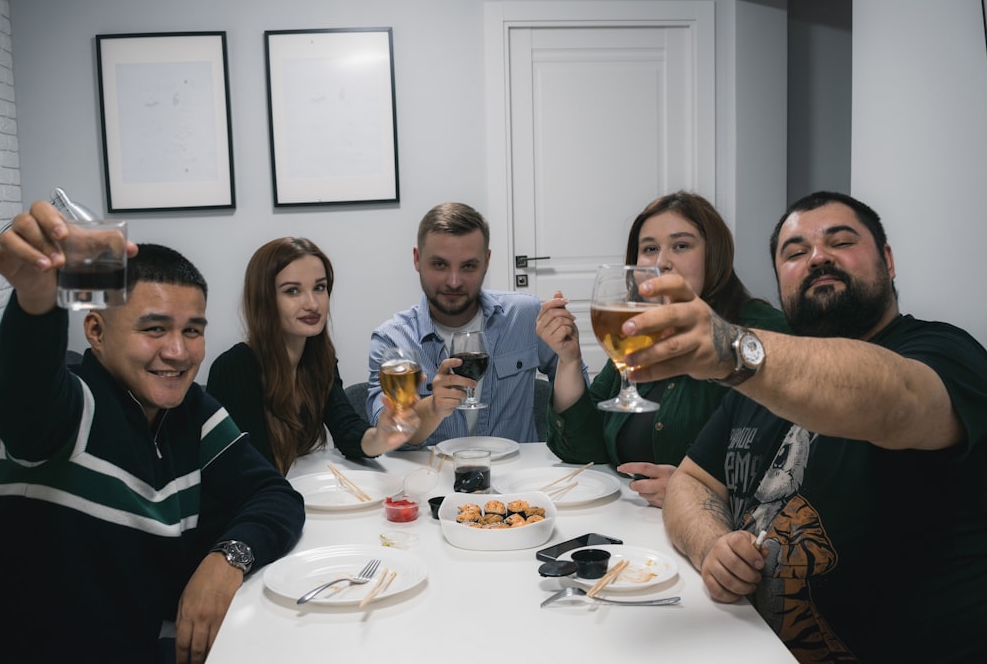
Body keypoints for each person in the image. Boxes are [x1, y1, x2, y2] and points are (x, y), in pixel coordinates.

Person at [623, 191, 986, 662]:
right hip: (743, 642)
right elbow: (690, 481)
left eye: (841, 241)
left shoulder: (944, 351)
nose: (818, 257)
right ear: (780, 282)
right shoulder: (764, 383)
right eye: (795, 253)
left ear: (888, 261)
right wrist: (712, 544)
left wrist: (731, 349)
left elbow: (898, 399)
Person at [0, 203, 305, 664]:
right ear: (95, 331)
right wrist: (37, 301)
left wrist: (226, 561)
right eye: (154, 328)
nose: (177, 351)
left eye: (192, 330)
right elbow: (24, 395)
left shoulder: (190, 409)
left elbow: (275, 495)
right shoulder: (72, 406)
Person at [536, 191, 788, 507]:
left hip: (717, 532)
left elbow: (782, 462)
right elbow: (583, 449)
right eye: (649, 249)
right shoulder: (641, 329)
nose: (661, 262)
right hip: (631, 521)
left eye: (681, 246)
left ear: (715, 253)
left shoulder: (761, 332)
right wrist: (569, 360)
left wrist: (698, 488)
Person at [368, 202, 581, 446]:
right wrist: (433, 407)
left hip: (516, 477)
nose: (454, 281)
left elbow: (576, 412)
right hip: (432, 479)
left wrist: (570, 358)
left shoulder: (525, 315)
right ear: (417, 259)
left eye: (468, 266)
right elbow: (387, 435)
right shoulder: (392, 340)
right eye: (439, 265)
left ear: (487, 261)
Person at [207, 237, 419, 475]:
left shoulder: (320, 359)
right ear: (264, 300)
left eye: (319, 287)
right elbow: (249, 472)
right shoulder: (234, 368)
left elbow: (347, 431)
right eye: (292, 291)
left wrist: (381, 437)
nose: (312, 304)